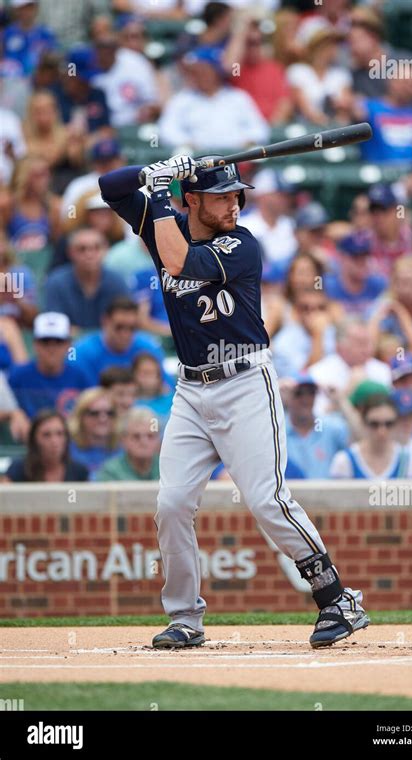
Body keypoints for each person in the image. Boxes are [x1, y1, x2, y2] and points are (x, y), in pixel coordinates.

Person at [99, 151, 369, 649]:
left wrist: (161, 193)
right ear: (193, 199)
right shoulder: (165, 225)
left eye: (235, 195)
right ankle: (185, 619)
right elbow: (109, 186)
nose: (232, 204)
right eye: (220, 196)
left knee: (266, 499)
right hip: (190, 389)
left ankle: (336, 599)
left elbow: (182, 260)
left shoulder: (242, 244)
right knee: (173, 503)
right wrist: (157, 171)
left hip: (245, 381)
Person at [158, 46, 270, 150]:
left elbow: (259, 130)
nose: (199, 75)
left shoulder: (238, 97)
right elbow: (167, 131)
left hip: (237, 161)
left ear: (216, 72)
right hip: (197, 163)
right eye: (194, 71)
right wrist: (188, 143)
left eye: (204, 70)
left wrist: (245, 143)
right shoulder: (182, 100)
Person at [7, 311, 89, 419]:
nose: (51, 348)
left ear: (68, 345)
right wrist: (14, 414)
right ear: (35, 344)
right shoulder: (17, 376)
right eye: (45, 342)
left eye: (58, 342)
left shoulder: (79, 376)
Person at [44, 227, 129, 330]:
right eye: (82, 249)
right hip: (67, 344)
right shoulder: (56, 282)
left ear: (106, 250)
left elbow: (126, 322)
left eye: (96, 248)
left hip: (109, 344)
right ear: (70, 252)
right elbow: (54, 326)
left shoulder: (117, 281)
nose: (89, 254)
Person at [71, 296, 168, 386]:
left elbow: (168, 389)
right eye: (119, 327)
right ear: (105, 321)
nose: (125, 334)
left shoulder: (149, 349)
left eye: (131, 328)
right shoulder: (82, 353)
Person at [308, 317, 392, 415]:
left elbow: (390, 412)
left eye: (369, 342)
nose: (367, 349)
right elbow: (318, 416)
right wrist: (350, 390)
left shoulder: (382, 369)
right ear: (340, 347)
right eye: (361, 343)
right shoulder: (318, 373)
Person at [90, 33, 161, 128]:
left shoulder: (135, 63)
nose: (102, 54)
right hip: (102, 125)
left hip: (133, 123)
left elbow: (152, 102)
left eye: (106, 49)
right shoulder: (91, 68)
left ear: (114, 50)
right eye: (99, 50)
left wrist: (147, 110)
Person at [285, 375, 349, 479]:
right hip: (290, 494)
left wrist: (341, 401)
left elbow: (359, 444)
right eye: (299, 394)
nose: (305, 399)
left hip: (327, 494)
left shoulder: (329, 427)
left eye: (311, 393)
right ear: (288, 397)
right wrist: (275, 393)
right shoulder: (278, 430)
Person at [330, 394, 406, 479]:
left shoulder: (407, 461)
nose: (381, 432)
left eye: (388, 424)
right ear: (363, 422)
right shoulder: (344, 461)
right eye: (374, 424)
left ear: (397, 423)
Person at [241, 169, 298, 282]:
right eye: (280, 195)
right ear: (262, 196)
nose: (286, 200)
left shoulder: (291, 224)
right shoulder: (243, 225)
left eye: (287, 196)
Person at [2, 409, 88, 483]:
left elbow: (83, 499)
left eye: (60, 434)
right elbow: (4, 497)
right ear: (34, 440)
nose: (54, 441)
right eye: (46, 435)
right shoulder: (19, 469)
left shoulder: (79, 471)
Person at [287, 27, 351, 125]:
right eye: (327, 44)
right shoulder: (297, 71)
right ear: (316, 47)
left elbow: (344, 112)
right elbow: (305, 109)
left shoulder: (341, 74)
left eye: (334, 44)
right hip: (307, 131)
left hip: (337, 131)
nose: (333, 48)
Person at [272, 287, 341, 378]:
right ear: (296, 312)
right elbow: (305, 376)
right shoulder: (284, 341)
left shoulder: (332, 331)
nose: (314, 313)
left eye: (320, 308)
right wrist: (317, 336)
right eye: (306, 308)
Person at [324, 231, 387, 317]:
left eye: (365, 257)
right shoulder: (326, 284)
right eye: (356, 258)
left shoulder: (379, 284)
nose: (362, 263)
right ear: (342, 257)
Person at [60, 137, 123, 221]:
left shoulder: (131, 183)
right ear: (94, 163)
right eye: (102, 161)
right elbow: (68, 216)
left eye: (111, 160)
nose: (107, 164)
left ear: (121, 160)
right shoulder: (79, 185)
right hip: (86, 231)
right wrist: (82, 202)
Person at [7, 154, 61, 252]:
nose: (46, 180)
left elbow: (57, 244)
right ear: (24, 177)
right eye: (39, 175)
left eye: (47, 174)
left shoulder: (54, 205)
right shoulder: (8, 204)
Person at [95, 406, 160, 482]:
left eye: (150, 436)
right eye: (136, 436)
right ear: (123, 440)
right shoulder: (111, 472)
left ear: (158, 439)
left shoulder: (169, 467)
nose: (144, 442)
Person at [68, 386, 120, 476]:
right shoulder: (67, 452)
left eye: (109, 413)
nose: (103, 418)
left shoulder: (125, 451)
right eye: (95, 413)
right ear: (81, 417)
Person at [366, 184, 412, 277]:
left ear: (396, 211)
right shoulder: (364, 241)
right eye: (373, 211)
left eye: (384, 211)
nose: (378, 217)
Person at [3, 0, 57, 78]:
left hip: (36, 82)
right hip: (9, 81)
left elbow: (53, 59)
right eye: (22, 8)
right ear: (16, 10)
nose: (26, 12)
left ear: (36, 8)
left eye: (29, 7)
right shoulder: (8, 33)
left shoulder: (46, 34)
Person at [132, 351, 174, 432]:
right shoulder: (128, 403)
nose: (148, 378)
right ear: (134, 375)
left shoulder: (173, 401)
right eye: (144, 373)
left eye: (152, 373)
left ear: (159, 377)